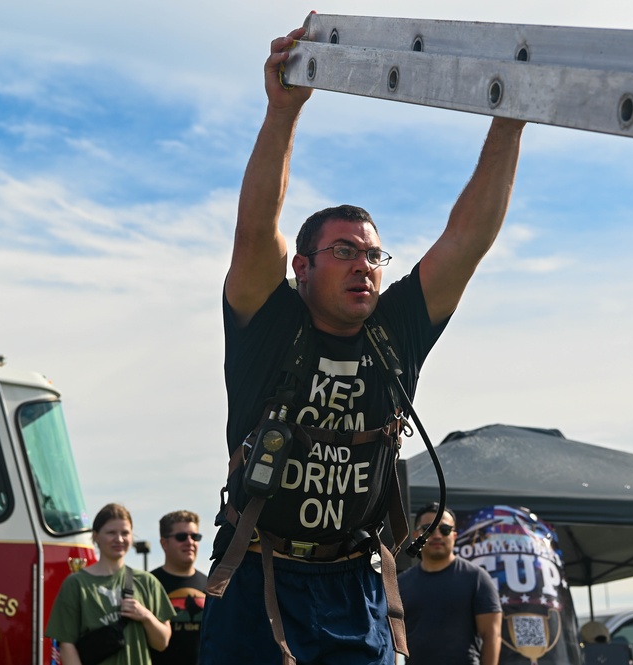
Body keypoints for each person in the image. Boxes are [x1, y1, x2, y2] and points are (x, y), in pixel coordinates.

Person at [199, 23, 525, 665]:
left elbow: (467, 239)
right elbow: (255, 227)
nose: (364, 266)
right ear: (301, 267)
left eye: (374, 255)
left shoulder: (395, 329)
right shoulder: (268, 323)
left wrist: (509, 123)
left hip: (355, 586)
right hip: (257, 578)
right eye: (344, 251)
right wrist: (282, 111)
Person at [46, 503, 174, 664]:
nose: (119, 539)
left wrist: (146, 616)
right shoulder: (76, 584)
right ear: (95, 536)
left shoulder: (147, 582)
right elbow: (66, 645)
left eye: (125, 533)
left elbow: (162, 643)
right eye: (111, 532)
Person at [398, 503, 502, 665]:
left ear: (454, 536)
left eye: (445, 529)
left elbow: (492, 636)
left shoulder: (477, 578)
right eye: (429, 528)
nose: (437, 535)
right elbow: (393, 642)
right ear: (416, 535)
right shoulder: (401, 583)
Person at [150, 510, 207, 665]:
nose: (190, 542)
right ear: (164, 543)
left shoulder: (211, 585)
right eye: (181, 537)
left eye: (195, 537)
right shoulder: (148, 584)